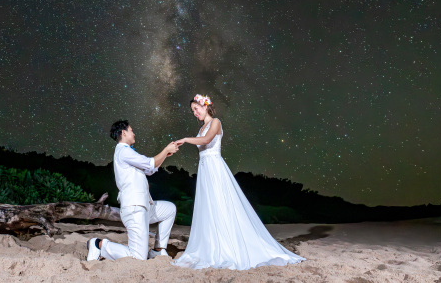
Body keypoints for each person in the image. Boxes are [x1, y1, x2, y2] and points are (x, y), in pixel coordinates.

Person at [171, 94, 305, 270]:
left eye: (196, 109)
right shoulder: (201, 127)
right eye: (193, 111)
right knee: (209, 206)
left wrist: (185, 139)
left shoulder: (215, 122)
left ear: (205, 106)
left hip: (215, 168)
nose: (195, 113)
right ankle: (212, 245)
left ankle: (227, 246)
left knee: (220, 204)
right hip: (205, 169)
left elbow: (206, 140)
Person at [86, 120, 179, 262]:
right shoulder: (123, 151)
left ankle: (158, 250)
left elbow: (150, 170)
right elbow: (150, 163)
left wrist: (165, 155)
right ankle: (99, 245)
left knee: (169, 209)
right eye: (131, 130)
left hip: (145, 206)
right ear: (124, 133)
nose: (134, 133)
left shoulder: (127, 153)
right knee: (138, 257)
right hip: (134, 208)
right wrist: (166, 150)